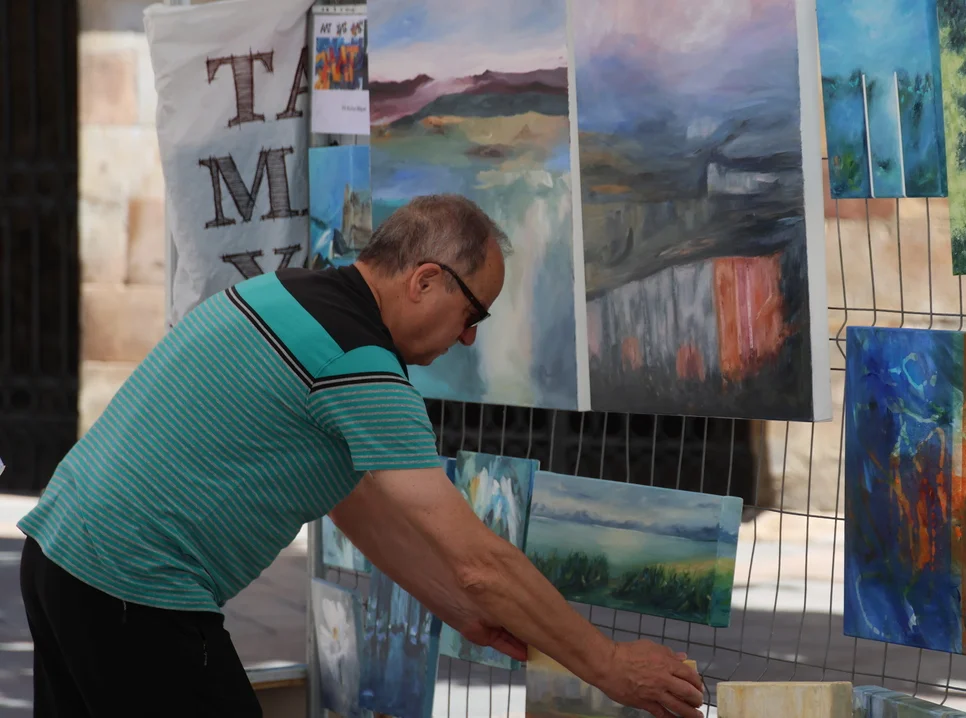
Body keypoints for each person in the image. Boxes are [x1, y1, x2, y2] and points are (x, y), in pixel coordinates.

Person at [18, 194, 705, 718]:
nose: (469, 338)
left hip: (60, 557)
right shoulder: (357, 361)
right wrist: (611, 666)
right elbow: (480, 561)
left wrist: (456, 608)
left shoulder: (288, 292)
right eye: (474, 315)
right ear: (425, 280)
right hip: (135, 591)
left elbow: (355, 498)